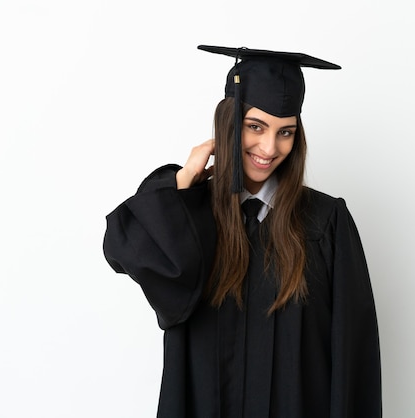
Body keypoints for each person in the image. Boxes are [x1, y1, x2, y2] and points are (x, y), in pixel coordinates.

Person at [103, 45, 382, 418]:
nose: (270, 147)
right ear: (230, 123)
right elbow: (126, 250)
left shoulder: (326, 223)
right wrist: (182, 182)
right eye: (255, 127)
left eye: (286, 132)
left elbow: (353, 360)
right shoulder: (189, 217)